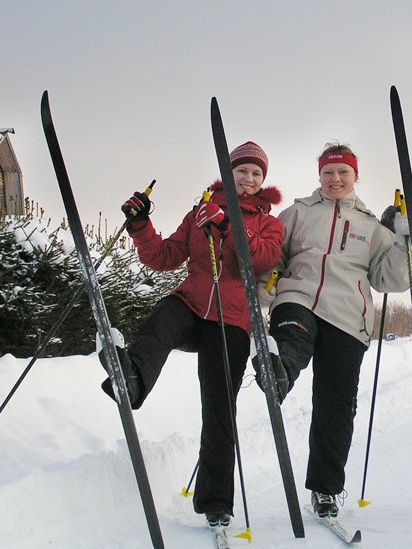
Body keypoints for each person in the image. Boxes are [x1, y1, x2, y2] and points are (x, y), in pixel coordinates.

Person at [100, 141, 283, 528]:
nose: (248, 179)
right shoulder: (199, 211)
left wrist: (228, 226)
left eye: (256, 174)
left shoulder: (268, 222)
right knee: (162, 321)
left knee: (219, 410)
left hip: (231, 320)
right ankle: (131, 378)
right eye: (242, 171)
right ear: (228, 174)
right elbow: (164, 257)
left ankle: (216, 501)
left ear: (263, 180)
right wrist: (140, 225)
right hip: (191, 301)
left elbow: (262, 260)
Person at [260, 142, 410, 518]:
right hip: (299, 297)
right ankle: (277, 372)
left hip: (348, 315)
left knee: (337, 405)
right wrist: (265, 283)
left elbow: (390, 280)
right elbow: (269, 256)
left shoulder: (371, 226)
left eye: (343, 172)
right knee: (292, 340)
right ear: (319, 176)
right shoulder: (295, 213)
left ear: (355, 177)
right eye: (329, 172)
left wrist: (403, 240)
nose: (336, 179)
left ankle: (325, 490)